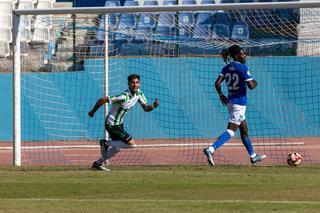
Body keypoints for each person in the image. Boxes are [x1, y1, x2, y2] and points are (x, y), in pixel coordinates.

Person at [203, 45, 266, 166]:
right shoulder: (243, 68)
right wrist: (255, 81)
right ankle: (211, 149)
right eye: (242, 53)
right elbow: (251, 86)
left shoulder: (226, 68)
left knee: (244, 130)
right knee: (231, 131)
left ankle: (253, 156)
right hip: (239, 104)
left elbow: (217, 83)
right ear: (237, 55)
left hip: (231, 102)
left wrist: (221, 95)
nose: (244, 55)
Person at [88, 74, 159, 171]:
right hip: (112, 124)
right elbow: (102, 99)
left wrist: (153, 106)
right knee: (132, 144)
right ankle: (105, 143)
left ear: (139, 84)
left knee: (117, 148)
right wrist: (92, 111)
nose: (135, 85)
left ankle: (97, 164)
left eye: (137, 82)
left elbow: (146, 108)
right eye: (132, 83)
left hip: (119, 124)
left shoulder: (139, 94)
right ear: (129, 84)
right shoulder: (123, 96)